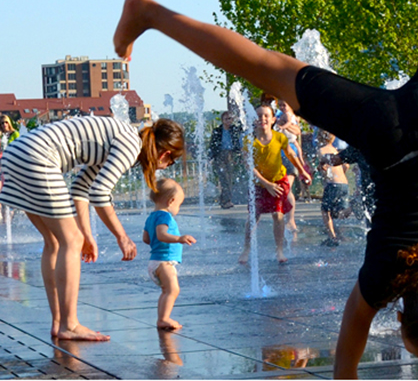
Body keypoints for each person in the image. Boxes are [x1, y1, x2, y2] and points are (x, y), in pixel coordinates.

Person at [113, 0, 418, 377]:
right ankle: (150, 12)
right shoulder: (383, 275)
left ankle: (148, 12)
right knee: (260, 66)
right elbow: (345, 365)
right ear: (399, 316)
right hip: (380, 131)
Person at [0, 116, 184, 341]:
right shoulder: (130, 144)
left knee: (55, 242)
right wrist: (122, 236)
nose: (165, 167)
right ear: (165, 154)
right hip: (37, 156)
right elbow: (100, 193)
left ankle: (59, 323)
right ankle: (70, 324)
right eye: (171, 162)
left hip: (16, 153)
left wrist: (87, 235)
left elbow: (81, 187)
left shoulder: (121, 137)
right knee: (69, 241)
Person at [238, 105, 312, 264]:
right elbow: (249, 166)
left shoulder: (280, 138)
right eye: (259, 116)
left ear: (273, 119)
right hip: (259, 183)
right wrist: (266, 184)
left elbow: (291, 155)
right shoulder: (248, 140)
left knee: (278, 215)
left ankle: (279, 249)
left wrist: (302, 171)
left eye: (266, 116)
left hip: (278, 180)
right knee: (253, 216)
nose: (262, 119)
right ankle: (246, 249)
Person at [143, 178, 196, 330]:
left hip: (156, 262)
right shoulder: (164, 216)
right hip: (163, 262)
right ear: (171, 201)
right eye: (179, 204)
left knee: (167, 291)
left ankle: (162, 318)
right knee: (173, 290)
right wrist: (179, 239)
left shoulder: (151, 217)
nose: (178, 208)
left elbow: (146, 238)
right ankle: (164, 319)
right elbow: (161, 235)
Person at [274, 99, 305, 233]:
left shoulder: (291, 117)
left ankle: (291, 220)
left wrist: (283, 126)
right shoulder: (279, 115)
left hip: (290, 150)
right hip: (279, 151)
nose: (282, 107)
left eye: (284, 105)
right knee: (282, 188)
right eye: (280, 105)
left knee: (286, 188)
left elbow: (297, 132)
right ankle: (285, 219)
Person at [317, 129, 351, 247]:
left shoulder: (321, 150)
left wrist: (325, 174)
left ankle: (333, 237)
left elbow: (324, 166)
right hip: (344, 184)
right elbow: (346, 165)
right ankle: (341, 234)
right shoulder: (335, 150)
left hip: (332, 184)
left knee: (325, 211)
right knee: (338, 212)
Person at [208, 111, 243, 209]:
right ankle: (226, 201)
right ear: (222, 120)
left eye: (230, 119)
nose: (229, 121)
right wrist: (210, 157)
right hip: (220, 155)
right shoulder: (217, 131)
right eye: (226, 119)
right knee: (224, 178)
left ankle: (224, 200)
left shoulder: (234, 130)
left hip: (231, 155)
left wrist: (239, 155)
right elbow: (212, 144)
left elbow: (239, 140)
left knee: (230, 178)